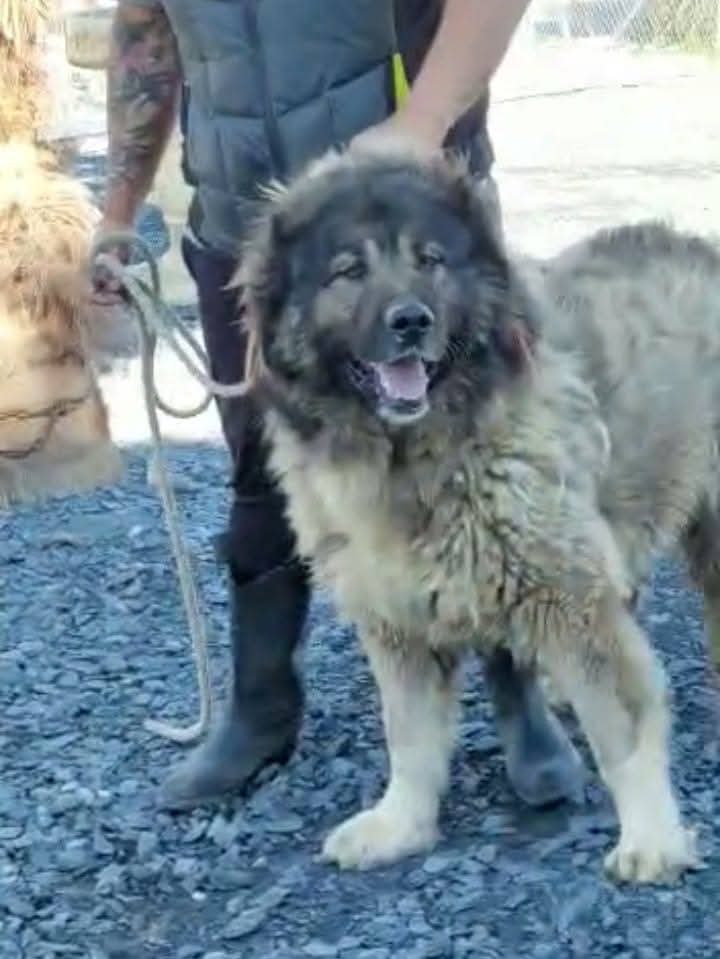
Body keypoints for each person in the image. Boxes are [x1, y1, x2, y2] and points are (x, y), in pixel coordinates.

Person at [94, 0, 585, 812]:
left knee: (472, 469)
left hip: (409, 223)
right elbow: (146, 28)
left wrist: (424, 121)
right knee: (261, 472)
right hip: (247, 234)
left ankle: (518, 699)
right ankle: (261, 708)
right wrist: (118, 211)